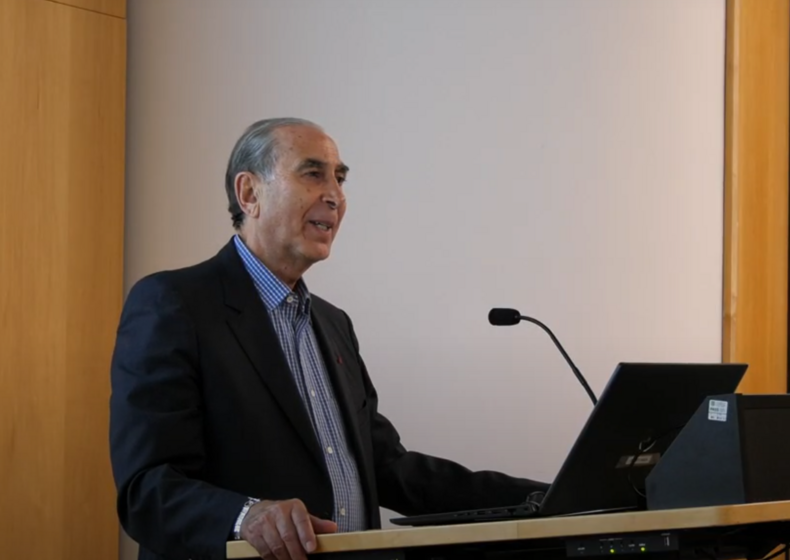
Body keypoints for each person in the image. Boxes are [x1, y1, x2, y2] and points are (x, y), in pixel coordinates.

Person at [109, 117, 549, 560]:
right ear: (250, 194)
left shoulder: (334, 324)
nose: (335, 195)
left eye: (339, 179)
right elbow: (148, 490)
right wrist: (247, 517)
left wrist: (549, 498)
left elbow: (390, 469)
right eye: (313, 173)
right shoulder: (174, 304)